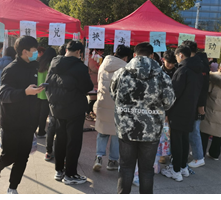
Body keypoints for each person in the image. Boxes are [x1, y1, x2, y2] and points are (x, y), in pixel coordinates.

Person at [110, 42, 176, 194]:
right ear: (152, 56)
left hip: (126, 128)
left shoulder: (121, 73)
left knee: (125, 167)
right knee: (146, 169)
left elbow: (113, 95)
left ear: (134, 55)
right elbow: (169, 101)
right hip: (151, 130)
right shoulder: (162, 76)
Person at [0, 36, 40, 194]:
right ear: (25, 51)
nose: (36, 53)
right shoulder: (11, 69)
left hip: (29, 121)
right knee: (9, 155)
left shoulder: (34, 67)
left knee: (23, 157)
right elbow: (3, 94)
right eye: (34, 50)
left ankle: (12, 188)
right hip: (11, 121)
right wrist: (25, 92)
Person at [45, 40, 93, 185]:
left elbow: (48, 84)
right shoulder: (80, 67)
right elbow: (87, 86)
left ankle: (59, 170)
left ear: (66, 50)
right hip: (75, 109)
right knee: (73, 141)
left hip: (57, 108)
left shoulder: (54, 63)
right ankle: (70, 174)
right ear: (79, 52)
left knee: (60, 139)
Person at [161, 45, 203, 182]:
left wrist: (167, 111)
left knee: (177, 141)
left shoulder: (182, 71)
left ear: (181, 55)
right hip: (190, 111)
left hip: (178, 111)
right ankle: (183, 167)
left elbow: (173, 94)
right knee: (185, 139)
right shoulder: (198, 70)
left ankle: (176, 170)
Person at [93, 44, 132, 173]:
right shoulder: (126, 68)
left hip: (102, 102)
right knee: (116, 134)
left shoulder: (103, 65)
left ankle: (98, 157)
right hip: (117, 106)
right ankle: (112, 161)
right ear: (125, 57)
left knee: (102, 131)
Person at [180, 40, 210, 168]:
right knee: (192, 129)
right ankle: (196, 153)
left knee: (194, 130)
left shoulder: (199, 64)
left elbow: (204, 87)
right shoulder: (199, 62)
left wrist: (201, 105)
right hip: (194, 101)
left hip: (197, 102)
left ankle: (198, 157)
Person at [36, 47, 56, 138]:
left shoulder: (39, 62)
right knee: (44, 114)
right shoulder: (50, 65)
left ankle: (35, 130)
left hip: (37, 91)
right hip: (46, 93)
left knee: (37, 112)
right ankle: (41, 131)